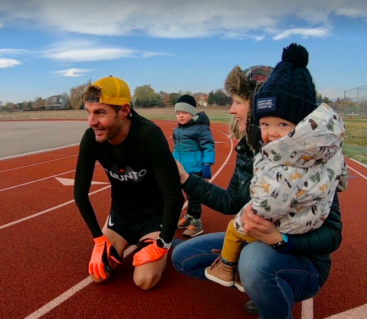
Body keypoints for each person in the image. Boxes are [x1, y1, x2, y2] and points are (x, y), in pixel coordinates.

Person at [172, 43, 344, 318]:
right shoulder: (248, 149)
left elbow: (333, 235)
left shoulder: (308, 156)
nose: (230, 110)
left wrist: (281, 239)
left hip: (303, 260)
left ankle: (267, 285)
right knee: (183, 258)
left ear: (259, 105)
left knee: (254, 262)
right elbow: (232, 202)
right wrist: (184, 178)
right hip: (253, 241)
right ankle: (262, 284)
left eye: (237, 101)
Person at [74, 75, 184, 290]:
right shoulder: (91, 139)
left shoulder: (149, 135)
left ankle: (163, 243)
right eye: (88, 112)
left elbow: (174, 196)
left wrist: (163, 243)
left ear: (123, 111)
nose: (91, 122)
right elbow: (80, 193)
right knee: (98, 275)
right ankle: (128, 242)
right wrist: (98, 239)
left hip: (153, 220)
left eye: (100, 113)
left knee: (143, 281)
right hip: (121, 218)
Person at [173, 95, 215, 237]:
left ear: (192, 113)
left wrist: (207, 166)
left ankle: (197, 223)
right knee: (184, 195)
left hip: (195, 170)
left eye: (184, 113)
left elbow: (208, 147)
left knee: (195, 197)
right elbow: (177, 149)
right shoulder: (177, 131)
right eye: (178, 113)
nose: (181, 116)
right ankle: (189, 217)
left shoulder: (201, 129)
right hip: (181, 169)